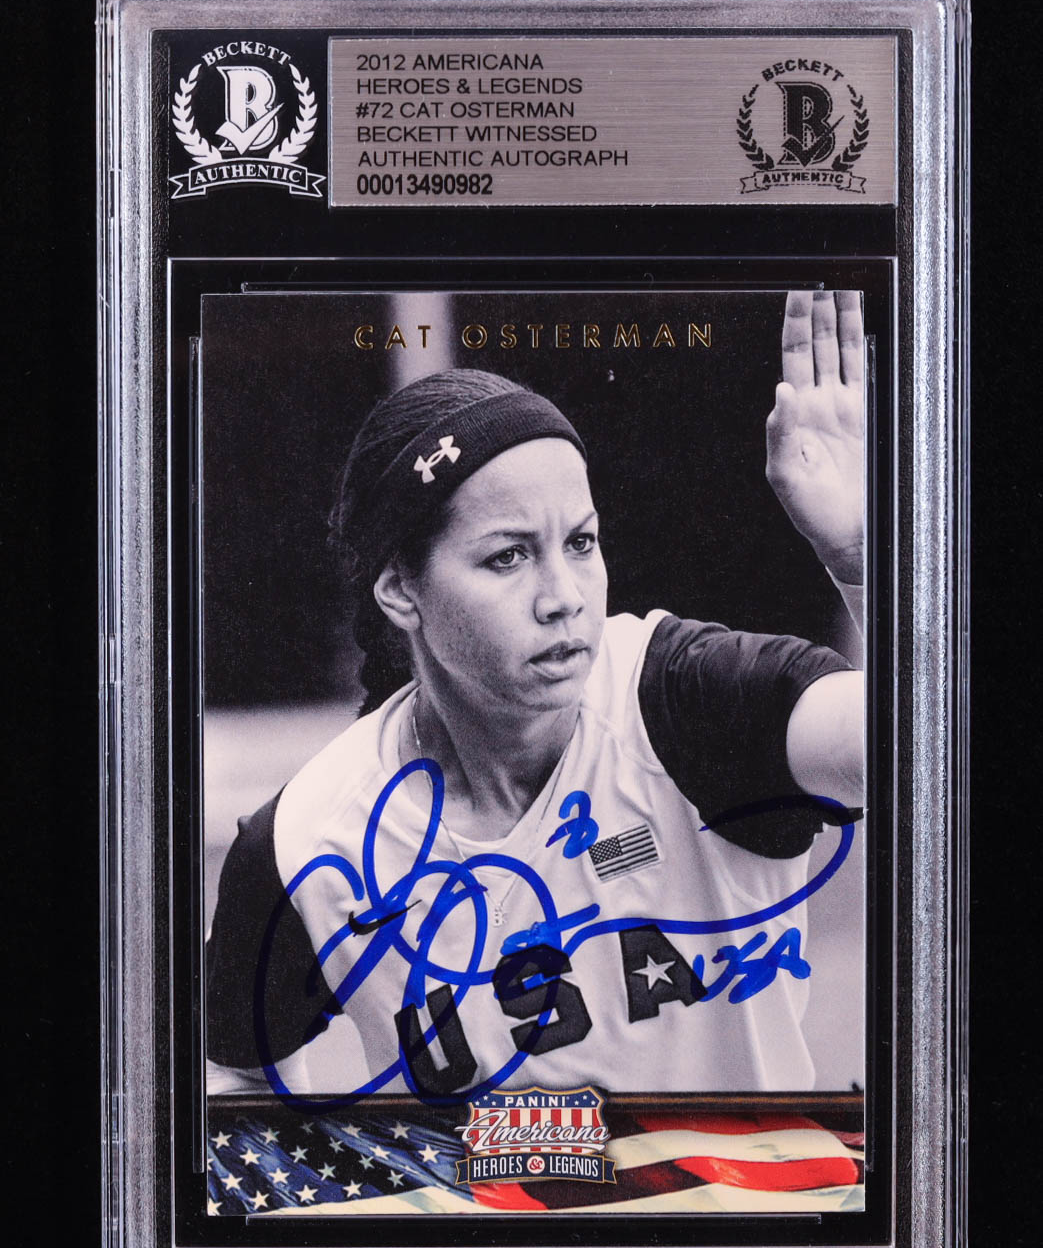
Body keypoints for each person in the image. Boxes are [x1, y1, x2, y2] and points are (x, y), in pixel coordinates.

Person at [206, 290, 865, 1098]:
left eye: (580, 543)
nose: (564, 597)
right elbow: (236, 1082)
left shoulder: (691, 697)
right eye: (508, 556)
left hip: (748, 1187)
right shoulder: (306, 842)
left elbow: (914, 752)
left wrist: (861, 553)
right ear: (400, 589)